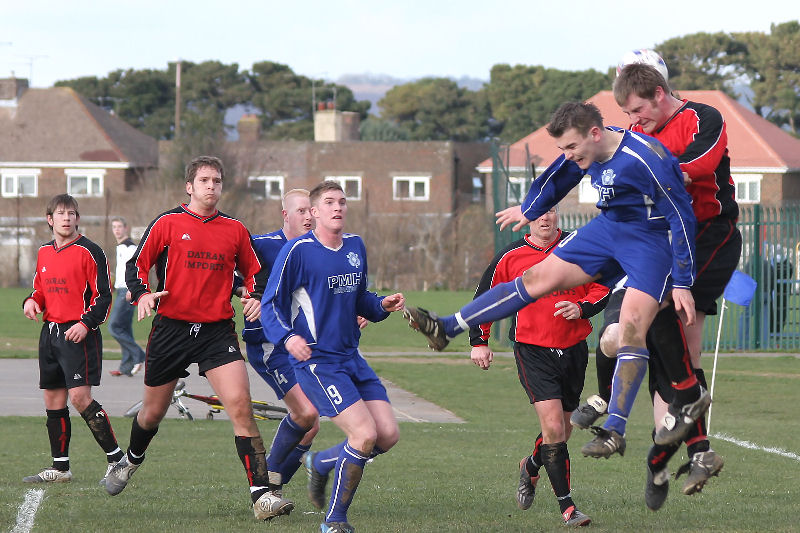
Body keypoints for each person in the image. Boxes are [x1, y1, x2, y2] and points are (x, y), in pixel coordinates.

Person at [405, 101, 708, 460]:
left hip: (650, 245)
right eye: (562, 148)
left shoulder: (645, 158)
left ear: (594, 134)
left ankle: (614, 429)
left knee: (630, 331)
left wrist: (684, 281)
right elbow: (557, 177)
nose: (567, 155)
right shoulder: (587, 152)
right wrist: (530, 209)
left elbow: (682, 217)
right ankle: (447, 327)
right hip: (609, 230)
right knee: (535, 277)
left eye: (571, 147)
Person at [578, 62, 740, 504]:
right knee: (646, 337)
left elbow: (701, 165)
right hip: (658, 243)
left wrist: (658, 170)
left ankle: (675, 445)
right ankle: (663, 449)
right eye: (627, 114)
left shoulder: (702, 118)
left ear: (658, 92)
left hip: (708, 238)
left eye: (637, 110)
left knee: (676, 338)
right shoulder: (637, 138)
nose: (634, 120)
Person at [103, 155, 294, 522]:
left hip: (215, 332)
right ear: (189, 186)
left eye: (217, 180)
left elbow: (255, 273)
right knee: (152, 413)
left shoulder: (235, 229)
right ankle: (131, 460)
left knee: (240, 404)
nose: (211, 186)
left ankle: (261, 495)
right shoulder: (168, 222)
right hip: (171, 329)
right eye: (204, 180)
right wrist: (142, 294)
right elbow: (136, 266)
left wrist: (253, 296)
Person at [261, 181, 405, 533]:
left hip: (351, 358)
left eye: (342, 201)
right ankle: (335, 521)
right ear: (313, 212)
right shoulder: (298, 251)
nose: (337, 207)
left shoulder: (355, 245)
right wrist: (288, 337)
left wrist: (380, 305)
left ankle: (323, 461)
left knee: (387, 436)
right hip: (317, 362)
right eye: (329, 202)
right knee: (364, 435)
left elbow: (360, 300)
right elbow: (270, 306)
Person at [469, 206, 609, 527]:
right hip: (532, 349)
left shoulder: (577, 246)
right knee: (554, 428)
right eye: (538, 214)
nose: (545, 219)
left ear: (559, 214)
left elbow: (603, 285)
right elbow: (485, 297)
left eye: (551, 212)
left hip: (574, 349)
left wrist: (582, 307)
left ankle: (532, 465)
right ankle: (568, 507)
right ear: (527, 218)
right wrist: (480, 340)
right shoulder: (511, 257)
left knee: (565, 426)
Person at [22, 193, 124, 484]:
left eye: (72, 214)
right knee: (53, 399)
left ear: (77, 219)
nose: (67, 218)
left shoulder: (91, 251)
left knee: (80, 397)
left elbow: (103, 297)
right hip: (50, 333)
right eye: (61, 214)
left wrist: (86, 323)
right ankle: (61, 468)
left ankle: (116, 459)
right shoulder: (43, 252)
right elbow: (39, 289)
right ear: (50, 219)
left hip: (79, 334)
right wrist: (31, 301)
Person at [241, 188, 321, 497]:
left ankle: (271, 490)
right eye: (301, 211)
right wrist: (248, 293)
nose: (308, 216)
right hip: (269, 345)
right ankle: (265, 487)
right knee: (306, 413)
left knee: (310, 423)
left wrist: (359, 310)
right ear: (285, 215)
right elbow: (230, 271)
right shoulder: (262, 246)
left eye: (310, 210)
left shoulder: (318, 251)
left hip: (302, 347)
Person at [108, 217, 146, 377]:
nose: (116, 230)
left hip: (127, 292)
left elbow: (139, 268)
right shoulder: (120, 247)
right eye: (114, 227)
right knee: (125, 328)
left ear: (126, 228)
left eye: (119, 226)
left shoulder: (130, 247)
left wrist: (133, 288)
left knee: (114, 327)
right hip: (120, 290)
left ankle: (139, 355)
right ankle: (126, 367)